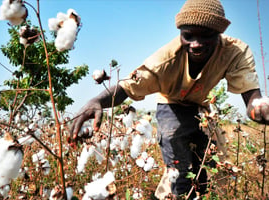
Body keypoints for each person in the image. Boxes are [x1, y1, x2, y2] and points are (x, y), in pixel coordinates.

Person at [69, 0, 269, 199]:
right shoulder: (164, 60)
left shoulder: (235, 52)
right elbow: (127, 87)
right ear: (180, 33)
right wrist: (97, 101)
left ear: (219, 33)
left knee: (213, 165)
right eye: (188, 36)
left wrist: (258, 110)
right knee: (178, 172)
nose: (196, 44)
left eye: (206, 36)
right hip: (170, 105)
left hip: (202, 108)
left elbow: (253, 98)